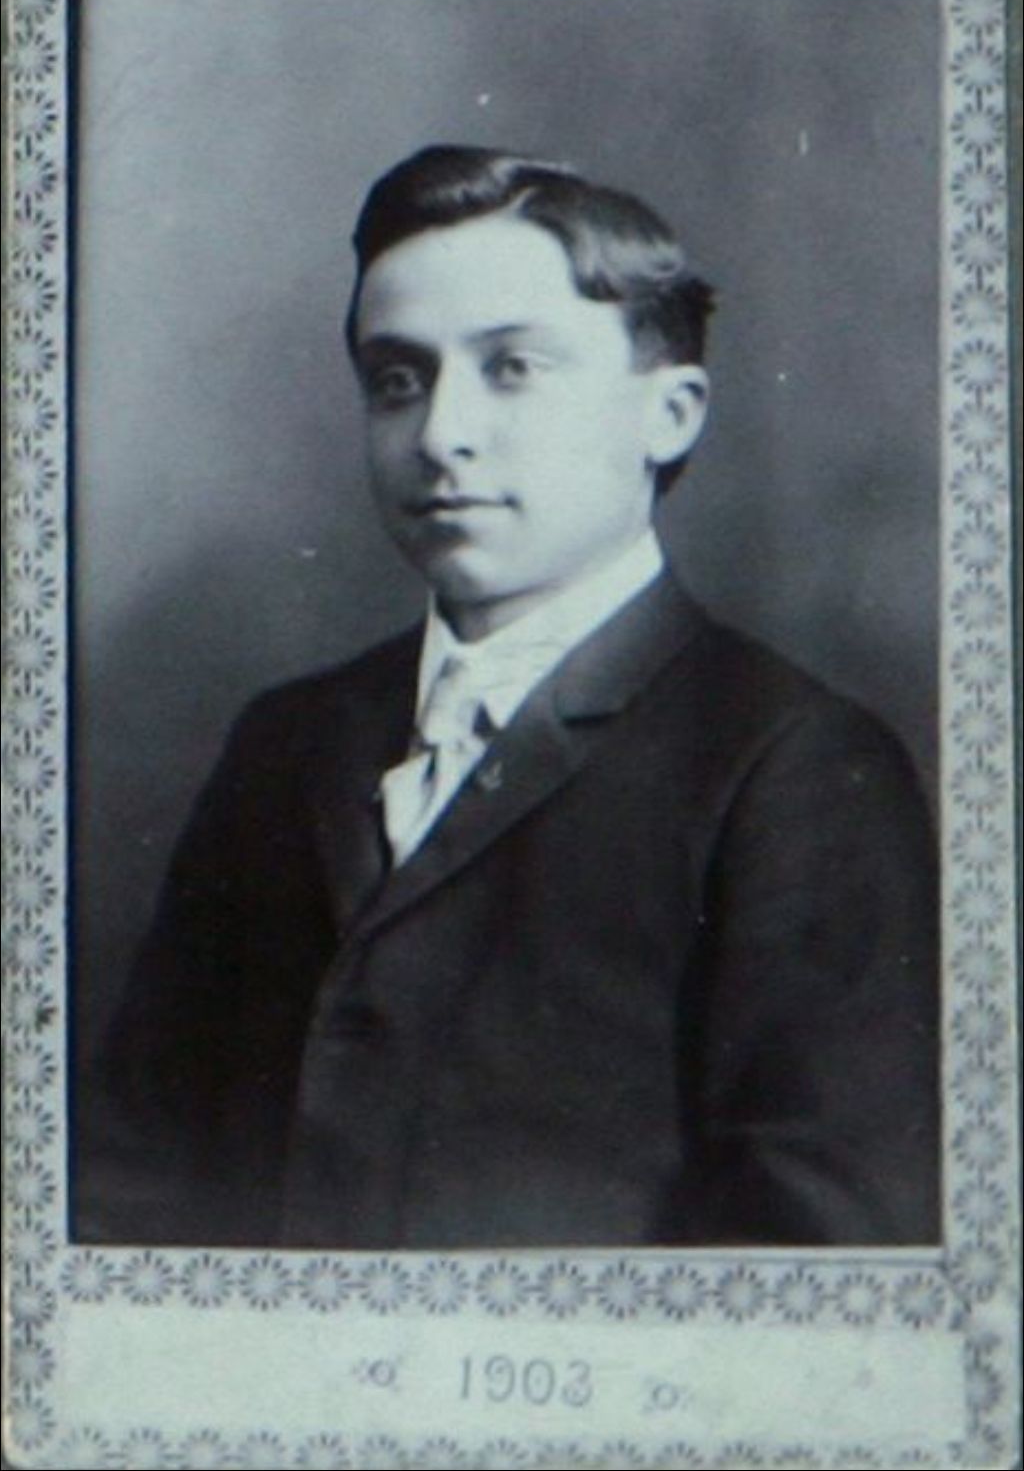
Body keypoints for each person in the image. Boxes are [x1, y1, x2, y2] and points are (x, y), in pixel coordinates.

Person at [79, 145, 939, 1250]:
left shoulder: (795, 765)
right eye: (398, 379)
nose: (442, 434)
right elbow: (131, 1178)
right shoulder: (287, 740)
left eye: (513, 368)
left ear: (670, 414)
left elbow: (814, 1257)